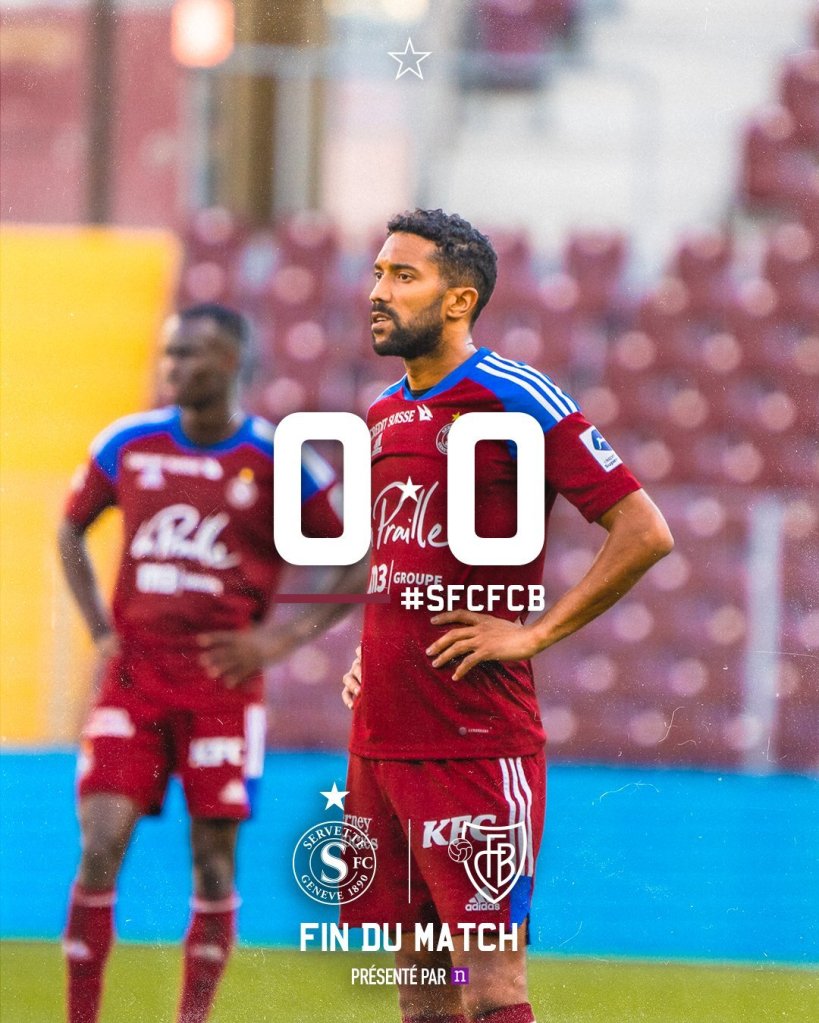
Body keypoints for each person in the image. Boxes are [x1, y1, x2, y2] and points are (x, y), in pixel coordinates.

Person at [341, 209, 674, 1023]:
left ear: (458, 300)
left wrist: (534, 633)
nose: (378, 291)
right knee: (421, 993)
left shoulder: (514, 396)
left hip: (473, 740)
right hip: (383, 735)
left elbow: (644, 531)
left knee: (491, 986)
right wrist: (368, 652)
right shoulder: (382, 411)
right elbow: (398, 556)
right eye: (378, 272)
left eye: (402, 276)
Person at [59, 302, 359, 1023]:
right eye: (169, 352)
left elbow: (355, 555)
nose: (172, 366)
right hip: (132, 682)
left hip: (222, 688)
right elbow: (71, 529)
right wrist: (99, 628)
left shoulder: (279, 459)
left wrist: (279, 640)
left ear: (228, 362)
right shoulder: (127, 444)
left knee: (214, 862)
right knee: (99, 845)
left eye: (188, 353)